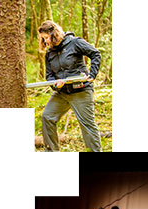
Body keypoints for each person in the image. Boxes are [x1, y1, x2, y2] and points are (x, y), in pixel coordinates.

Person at [37, 20, 102, 152]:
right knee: (47, 116)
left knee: (87, 125)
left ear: (53, 34)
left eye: (46, 38)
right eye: (43, 39)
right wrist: (56, 85)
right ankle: (51, 153)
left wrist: (93, 73)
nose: (45, 42)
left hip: (81, 91)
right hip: (62, 93)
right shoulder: (50, 53)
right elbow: (49, 76)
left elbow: (95, 54)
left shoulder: (75, 42)